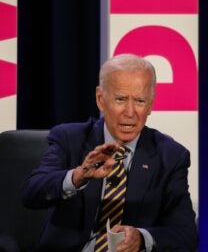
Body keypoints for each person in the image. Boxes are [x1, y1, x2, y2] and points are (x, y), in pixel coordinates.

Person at [22, 54, 198, 252]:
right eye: (121, 99)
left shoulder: (171, 156)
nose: (130, 112)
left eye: (140, 101)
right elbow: (32, 193)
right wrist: (78, 176)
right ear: (100, 99)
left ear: (150, 104)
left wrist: (142, 238)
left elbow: (186, 235)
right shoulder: (69, 138)